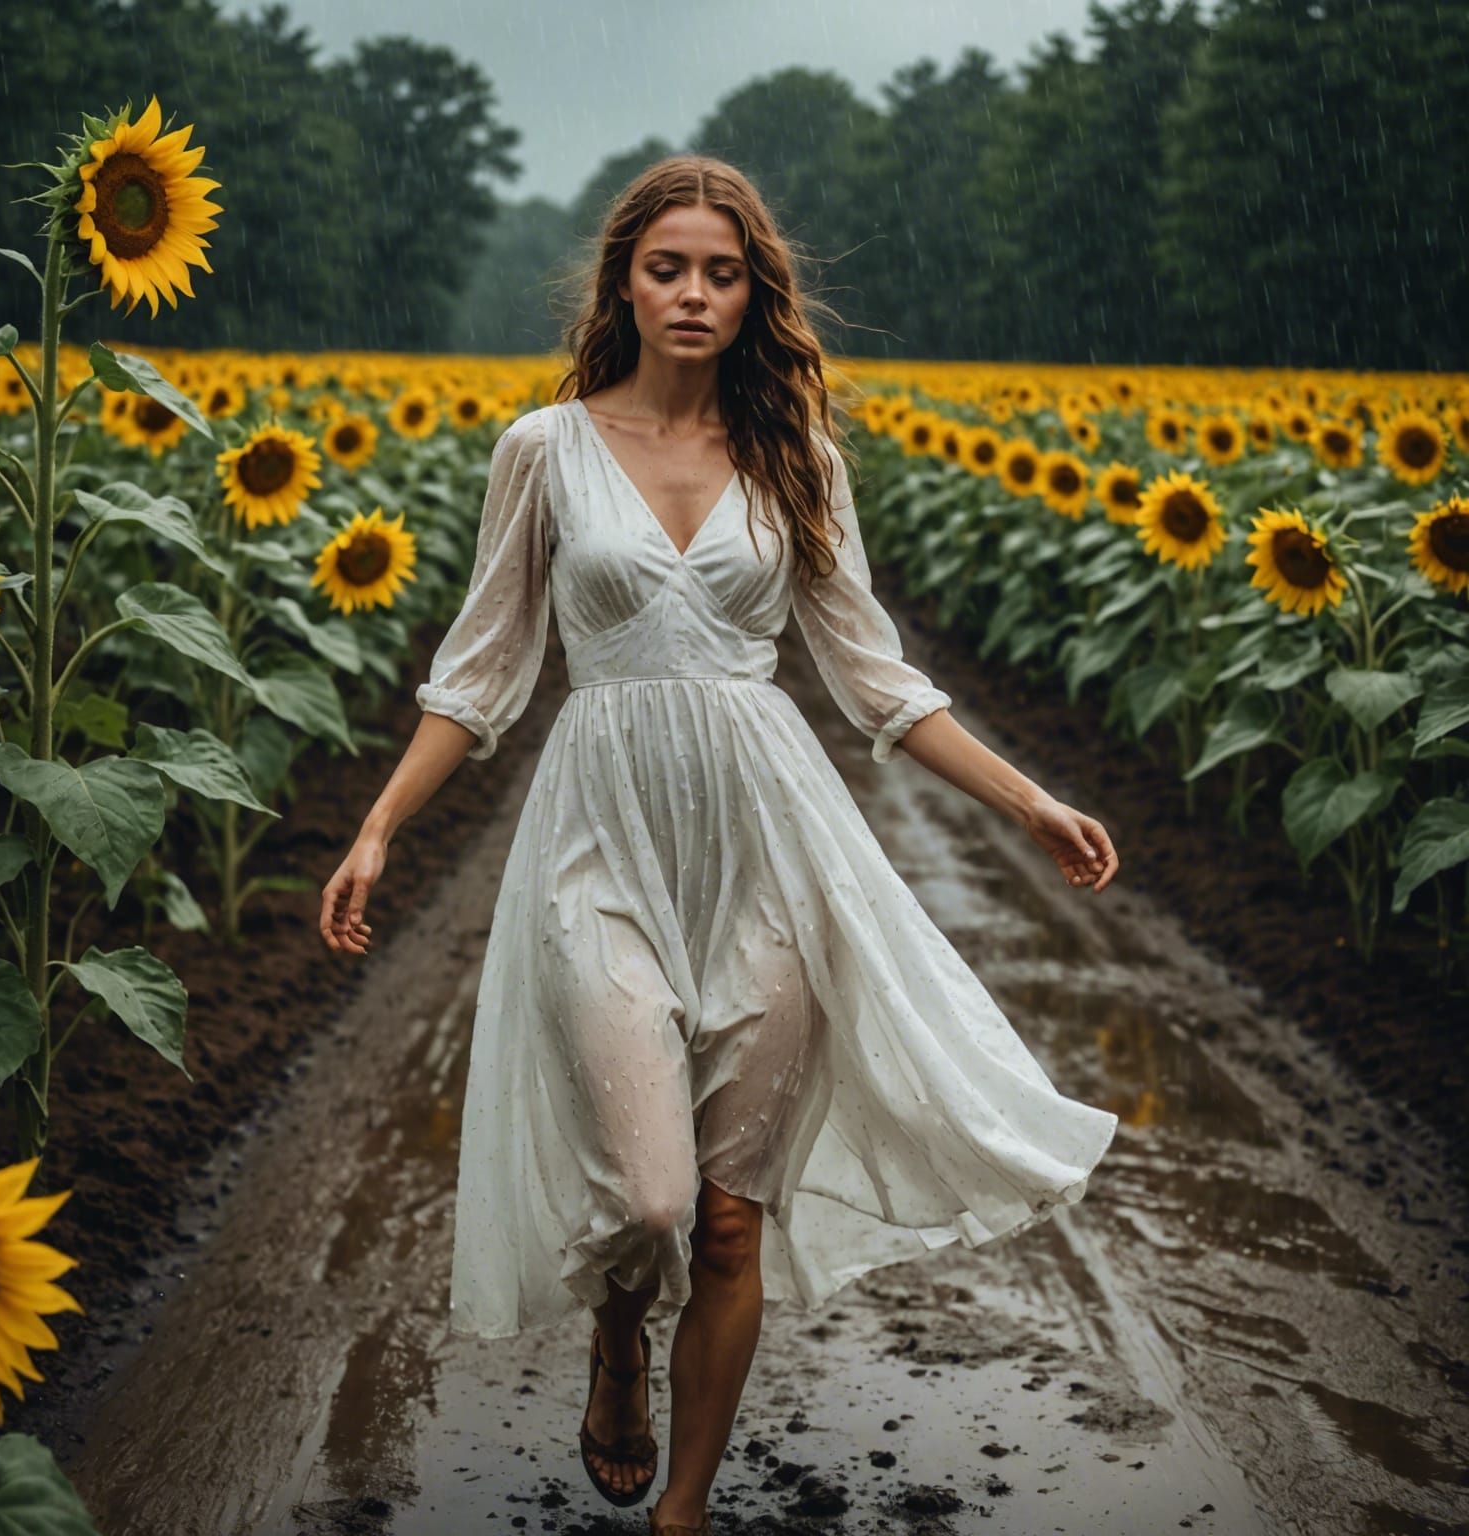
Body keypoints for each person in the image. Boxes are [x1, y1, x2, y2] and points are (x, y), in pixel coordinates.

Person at [319, 155, 1120, 1536]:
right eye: (669, 268)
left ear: (756, 294)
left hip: (772, 845)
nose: (695, 295)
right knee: (650, 1195)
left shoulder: (794, 455)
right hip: (598, 841)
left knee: (730, 1216)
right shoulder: (545, 449)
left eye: (724, 272)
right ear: (623, 282)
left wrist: (1029, 797)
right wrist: (381, 825)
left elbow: (880, 680)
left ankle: (682, 1511)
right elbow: (483, 672)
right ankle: (620, 1331)